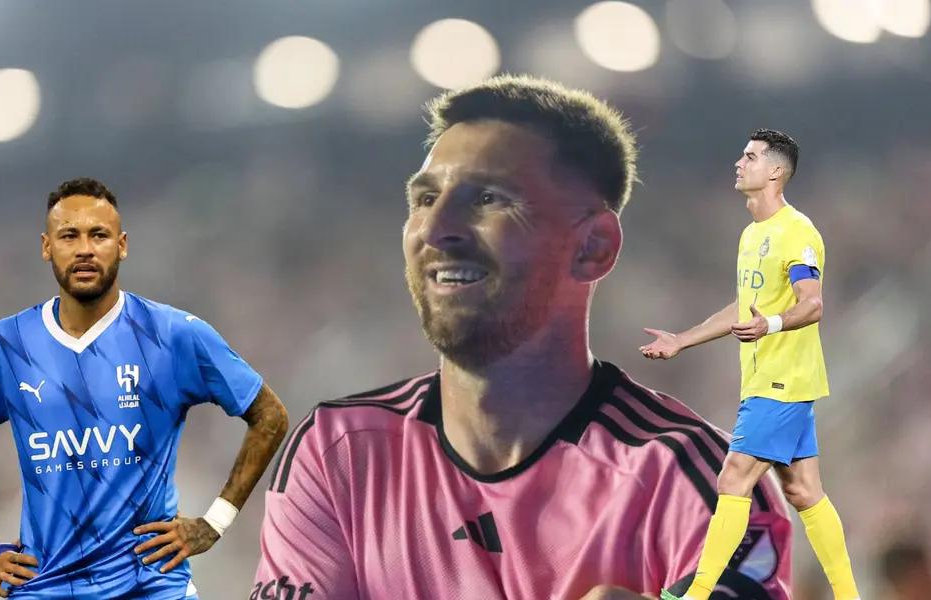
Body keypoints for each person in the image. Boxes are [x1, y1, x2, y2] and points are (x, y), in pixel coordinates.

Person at [253, 76, 791, 599]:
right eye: (424, 199)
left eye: (488, 198)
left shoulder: (704, 484)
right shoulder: (338, 451)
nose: (436, 228)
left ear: (593, 247)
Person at [0, 178, 289, 599]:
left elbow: (269, 416)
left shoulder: (172, 335)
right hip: (46, 588)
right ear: (46, 246)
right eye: (69, 235)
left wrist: (214, 522)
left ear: (122, 245)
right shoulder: (5, 344)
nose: (85, 249)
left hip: (152, 587)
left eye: (99, 235)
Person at [641, 130, 860, 600]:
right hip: (767, 378)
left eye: (752, 157)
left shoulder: (797, 232)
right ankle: (848, 596)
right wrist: (683, 339)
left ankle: (695, 594)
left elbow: (813, 303)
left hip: (783, 381)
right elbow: (745, 305)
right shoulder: (751, 235)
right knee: (803, 491)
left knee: (734, 476)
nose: (740, 163)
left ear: (776, 172)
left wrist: (773, 325)